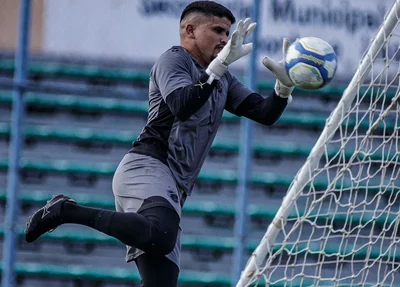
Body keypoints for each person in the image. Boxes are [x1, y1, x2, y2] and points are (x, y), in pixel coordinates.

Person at [25, 1, 295, 286]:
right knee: (162, 235)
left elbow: (264, 114)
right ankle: (65, 211)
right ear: (189, 30)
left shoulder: (222, 77)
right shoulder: (174, 60)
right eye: (217, 30)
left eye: (227, 33)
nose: (226, 40)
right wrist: (218, 68)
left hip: (174, 188)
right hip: (148, 166)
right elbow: (181, 104)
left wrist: (283, 88)